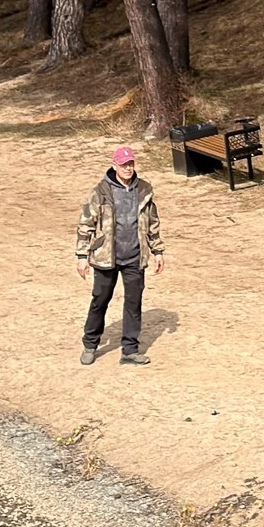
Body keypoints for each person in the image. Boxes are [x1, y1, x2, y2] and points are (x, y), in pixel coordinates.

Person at [77, 141, 164, 364]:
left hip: (135, 256)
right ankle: (90, 344)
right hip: (106, 257)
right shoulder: (101, 192)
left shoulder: (144, 190)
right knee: (100, 300)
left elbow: (152, 223)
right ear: (115, 165)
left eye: (131, 163)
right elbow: (86, 223)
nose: (128, 168)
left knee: (133, 303)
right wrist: (82, 256)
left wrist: (157, 251)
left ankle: (130, 350)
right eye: (124, 164)